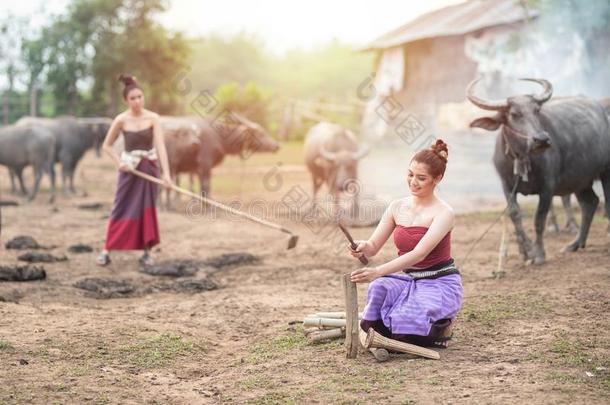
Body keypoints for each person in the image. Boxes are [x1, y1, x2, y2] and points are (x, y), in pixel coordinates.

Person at [349, 139, 463, 347]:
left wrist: (378, 270)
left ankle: (441, 325)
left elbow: (419, 254)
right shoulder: (397, 206)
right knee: (378, 287)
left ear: (437, 178)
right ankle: (391, 330)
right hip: (409, 281)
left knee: (405, 319)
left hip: (438, 283)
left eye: (421, 178)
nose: (413, 182)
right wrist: (363, 245)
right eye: (410, 174)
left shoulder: (444, 213)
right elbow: (373, 246)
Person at [96, 74, 172, 267]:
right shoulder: (121, 119)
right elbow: (107, 145)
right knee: (121, 206)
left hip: (149, 168)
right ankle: (106, 250)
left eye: (140, 97)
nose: (137, 101)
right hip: (129, 169)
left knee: (146, 208)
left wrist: (167, 174)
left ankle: (146, 252)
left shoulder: (153, 118)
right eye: (132, 98)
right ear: (126, 100)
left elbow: (160, 146)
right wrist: (119, 163)